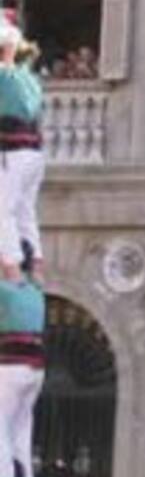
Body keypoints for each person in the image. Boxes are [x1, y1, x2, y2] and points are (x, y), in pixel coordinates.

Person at [0, 241, 44, 477]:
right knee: (22, 432)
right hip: (35, 369)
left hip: (12, 366)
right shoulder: (35, 290)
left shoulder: (7, 291)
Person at [0, 21, 44, 285]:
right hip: (35, 154)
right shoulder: (29, 79)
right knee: (25, 211)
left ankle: (14, 271)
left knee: (2, 212)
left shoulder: (5, 76)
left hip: (13, 152)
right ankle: (36, 265)